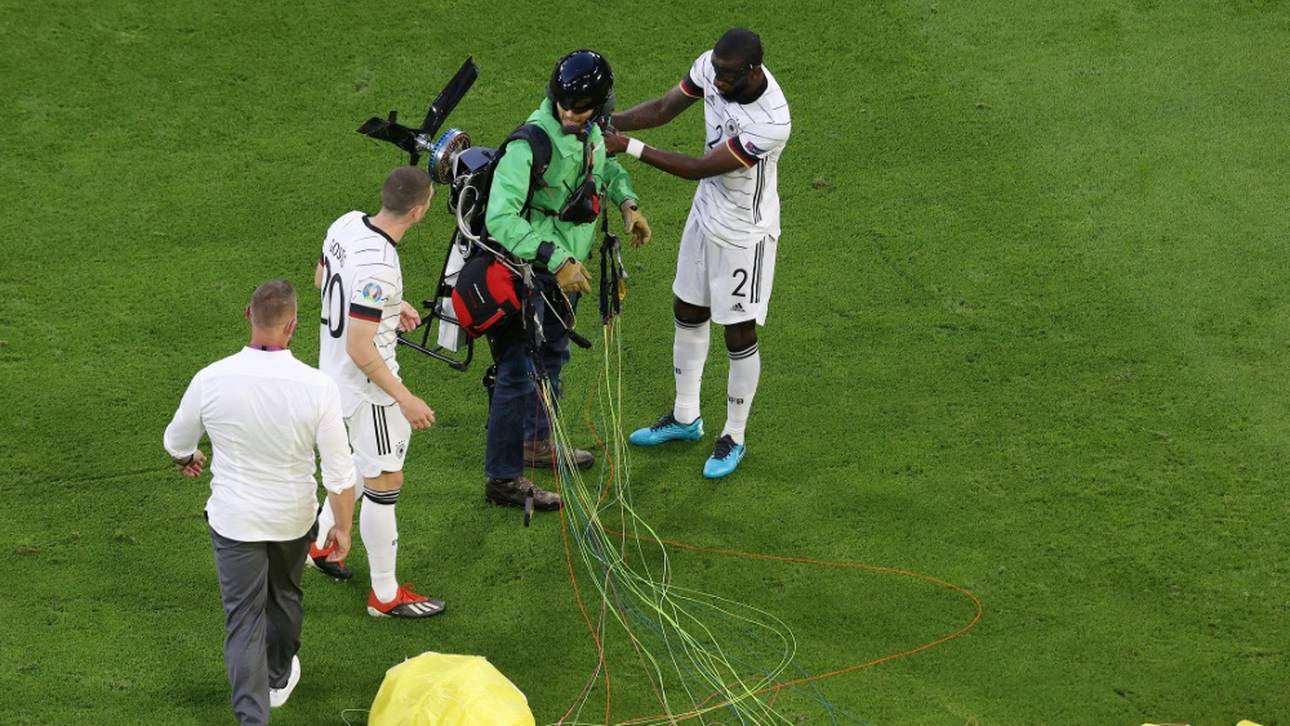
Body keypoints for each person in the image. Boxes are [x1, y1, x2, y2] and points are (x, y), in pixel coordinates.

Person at [163, 279, 357, 725]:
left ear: (249, 316)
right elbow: (340, 471)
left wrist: (188, 458)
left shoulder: (211, 379)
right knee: (285, 596)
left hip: (235, 522)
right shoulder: (318, 387)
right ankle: (278, 676)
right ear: (292, 325)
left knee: (244, 620)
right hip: (293, 518)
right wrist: (344, 527)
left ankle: (253, 718)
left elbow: (176, 441)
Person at [605, 28, 791, 479]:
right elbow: (664, 109)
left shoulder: (771, 121)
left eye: (728, 77)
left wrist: (627, 146)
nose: (718, 81)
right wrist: (610, 122)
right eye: (716, 73)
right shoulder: (712, 66)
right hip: (705, 213)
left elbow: (700, 168)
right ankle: (685, 416)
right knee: (687, 308)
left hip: (745, 234)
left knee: (738, 331)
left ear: (753, 71)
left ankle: (734, 435)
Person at [482, 49, 652, 510]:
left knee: (553, 356)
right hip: (530, 273)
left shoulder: (591, 130)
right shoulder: (528, 145)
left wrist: (627, 202)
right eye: (564, 105)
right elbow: (500, 218)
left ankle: (536, 442)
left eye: (580, 109)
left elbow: (603, 167)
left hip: (565, 274)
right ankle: (502, 478)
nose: (569, 114)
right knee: (517, 371)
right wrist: (556, 260)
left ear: (600, 107)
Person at [309, 166, 446, 619]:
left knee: (353, 460)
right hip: (369, 390)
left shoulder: (346, 223)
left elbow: (322, 279)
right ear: (419, 211)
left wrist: (388, 306)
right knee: (384, 479)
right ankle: (384, 595)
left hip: (331, 377)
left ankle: (320, 543)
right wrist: (404, 398)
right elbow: (360, 345)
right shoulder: (382, 265)